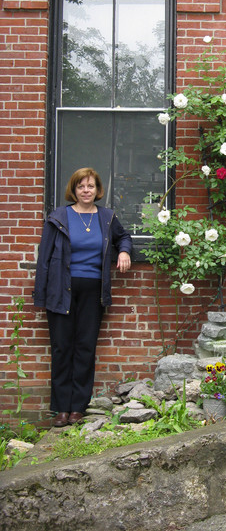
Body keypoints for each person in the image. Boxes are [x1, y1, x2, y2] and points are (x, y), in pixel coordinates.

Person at [33, 167, 132, 427]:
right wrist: (41, 294)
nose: (86, 191)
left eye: (90, 186)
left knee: (85, 347)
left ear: (98, 190)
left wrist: (123, 252)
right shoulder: (59, 217)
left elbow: (124, 237)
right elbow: (43, 258)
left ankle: (78, 406)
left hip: (93, 292)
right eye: (81, 187)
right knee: (62, 347)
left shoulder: (107, 217)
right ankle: (61, 408)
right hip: (60, 290)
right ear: (74, 190)